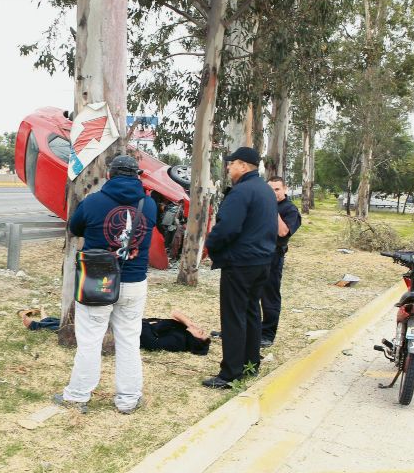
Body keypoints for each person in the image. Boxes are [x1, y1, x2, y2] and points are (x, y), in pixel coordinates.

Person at [53, 154, 157, 414]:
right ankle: (128, 399)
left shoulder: (93, 202)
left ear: (109, 175)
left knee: (89, 340)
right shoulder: (150, 205)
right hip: (134, 281)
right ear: (137, 176)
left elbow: (75, 228)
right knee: (129, 340)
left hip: (97, 280)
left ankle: (77, 396)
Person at [202, 147, 277, 389]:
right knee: (251, 312)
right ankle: (250, 364)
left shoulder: (241, 192)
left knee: (234, 317)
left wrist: (211, 246)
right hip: (262, 261)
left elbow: (227, 228)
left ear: (243, 166)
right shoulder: (265, 190)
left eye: (231, 163)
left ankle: (230, 373)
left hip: (241, 262)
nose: (228, 167)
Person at [22, 308, 211, 356]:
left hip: (130, 332)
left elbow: (153, 344)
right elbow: (175, 312)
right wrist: (190, 323)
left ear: (195, 341)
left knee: (87, 328)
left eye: (201, 333)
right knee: (87, 322)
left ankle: (37, 325)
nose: (199, 328)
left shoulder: (178, 341)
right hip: (133, 325)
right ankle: (46, 322)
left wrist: (137, 324)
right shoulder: (182, 330)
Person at [259, 176, 302, 347]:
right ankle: (241, 330)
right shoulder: (261, 205)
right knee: (246, 295)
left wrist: (272, 209)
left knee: (269, 296)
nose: (273, 193)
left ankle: (268, 334)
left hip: (273, 257)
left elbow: (283, 232)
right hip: (256, 255)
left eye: (277, 189)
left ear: (285, 189)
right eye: (270, 190)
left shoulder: (290, 210)